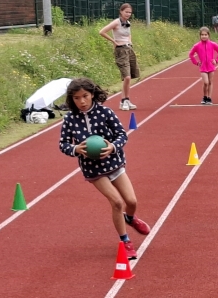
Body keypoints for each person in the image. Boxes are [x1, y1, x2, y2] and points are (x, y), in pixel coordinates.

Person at [58, 77, 150, 260]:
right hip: (93, 170)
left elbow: (122, 135)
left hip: (114, 163)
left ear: (92, 94)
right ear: (71, 99)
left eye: (85, 96)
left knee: (131, 201)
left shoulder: (105, 112)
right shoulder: (70, 119)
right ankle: (126, 242)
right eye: (76, 98)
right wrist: (76, 149)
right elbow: (63, 144)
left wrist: (113, 147)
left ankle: (130, 218)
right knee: (117, 202)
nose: (82, 101)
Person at [99, 3, 139, 111]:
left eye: (130, 12)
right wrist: (113, 41)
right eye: (126, 12)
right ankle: (124, 100)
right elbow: (102, 32)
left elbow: (129, 34)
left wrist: (130, 42)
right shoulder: (116, 22)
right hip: (120, 50)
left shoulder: (128, 23)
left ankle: (125, 100)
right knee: (127, 77)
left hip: (128, 49)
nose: (128, 14)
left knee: (129, 77)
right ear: (121, 11)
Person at [189, 26, 218, 105]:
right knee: (206, 82)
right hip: (203, 67)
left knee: (210, 82)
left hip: (211, 67)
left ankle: (209, 98)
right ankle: (204, 97)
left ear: (208, 35)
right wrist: (196, 62)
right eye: (202, 35)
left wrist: (216, 60)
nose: (204, 36)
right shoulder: (197, 46)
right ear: (200, 35)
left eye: (205, 35)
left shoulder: (212, 44)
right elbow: (191, 54)